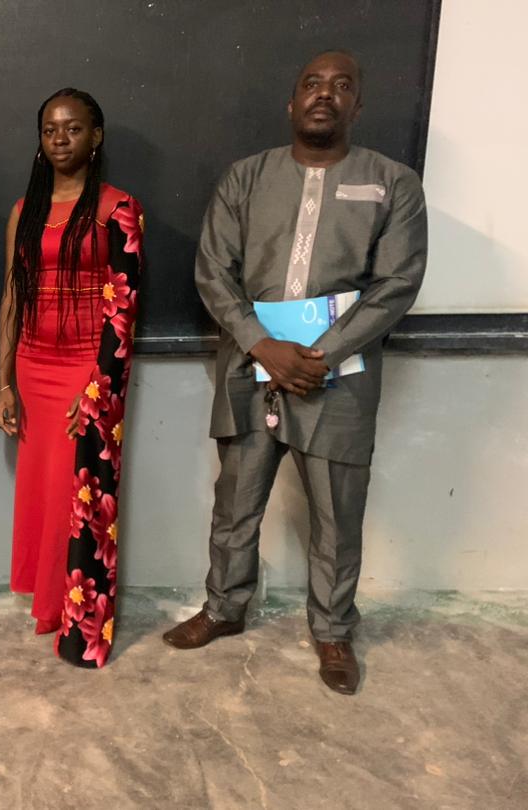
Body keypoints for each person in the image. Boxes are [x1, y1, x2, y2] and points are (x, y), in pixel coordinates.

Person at [163, 51, 428, 694]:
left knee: (338, 513)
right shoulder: (245, 179)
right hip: (250, 367)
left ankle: (332, 630)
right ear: (291, 102)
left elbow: (397, 283)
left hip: (340, 374)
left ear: (358, 106)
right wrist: (262, 345)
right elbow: (213, 271)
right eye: (312, 83)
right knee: (235, 502)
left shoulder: (393, 183)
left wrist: (321, 354)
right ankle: (224, 607)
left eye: (342, 86)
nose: (324, 94)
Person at [0, 88, 144, 669]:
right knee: (44, 496)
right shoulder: (24, 209)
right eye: (50, 129)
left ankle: (85, 632)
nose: (60, 139)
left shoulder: (118, 208)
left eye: (73, 128)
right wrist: (5, 380)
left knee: (81, 498)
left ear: (96, 136)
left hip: (89, 368)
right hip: (33, 367)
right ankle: (51, 607)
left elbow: (123, 307)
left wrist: (99, 386)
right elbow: (13, 295)